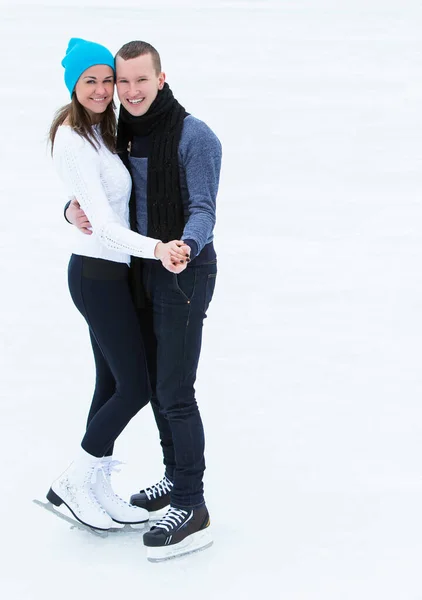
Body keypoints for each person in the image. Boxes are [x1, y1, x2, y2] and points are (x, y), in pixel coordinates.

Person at [65, 40, 222, 561]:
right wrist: (70, 210)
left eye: (139, 80)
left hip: (183, 272)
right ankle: (174, 477)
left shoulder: (195, 136)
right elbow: (104, 193)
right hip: (141, 272)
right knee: (154, 386)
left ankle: (191, 504)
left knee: (175, 390)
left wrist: (185, 245)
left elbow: (202, 209)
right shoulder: (122, 132)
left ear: (160, 77)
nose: (129, 91)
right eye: (121, 81)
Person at [48, 38, 190, 532]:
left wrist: (70, 209)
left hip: (112, 274)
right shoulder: (71, 137)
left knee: (110, 383)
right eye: (92, 81)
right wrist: (157, 248)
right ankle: (74, 480)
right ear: (73, 86)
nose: (105, 89)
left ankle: (96, 485)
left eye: (107, 79)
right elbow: (104, 223)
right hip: (96, 276)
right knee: (135, 386)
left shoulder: (102, 132)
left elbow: (91, 203)